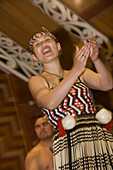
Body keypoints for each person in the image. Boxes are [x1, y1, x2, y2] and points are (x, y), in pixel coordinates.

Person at [28, 27, 113, 170]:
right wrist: (75, 71)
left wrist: (96, 59)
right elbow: (49, 102)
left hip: (97, 135)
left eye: (47, 40)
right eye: (38, 44)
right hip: (70, 143)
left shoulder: (81, 72)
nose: (44, 45)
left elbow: (107, 84)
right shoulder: (37, 80)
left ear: (58, 46)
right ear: (34, 57)